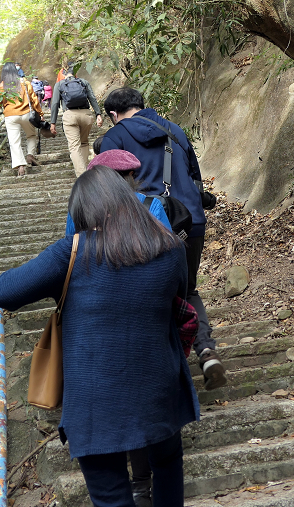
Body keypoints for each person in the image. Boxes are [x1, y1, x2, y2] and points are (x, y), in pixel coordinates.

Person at [0, 166, 200, 507]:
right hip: (159, 388)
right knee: (167, 466)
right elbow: (180, 296)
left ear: (83, 213)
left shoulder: (72, 251)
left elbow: (3, 292)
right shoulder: (171, 249)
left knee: (111, 495)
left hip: (95, 401)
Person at [64, 148, 172, 507]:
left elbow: (70, 253)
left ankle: (138, 484)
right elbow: (168, 254)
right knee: (146, 407)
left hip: (96, 329)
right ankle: (142, 483)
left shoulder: (80, 215)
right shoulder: (149, 205)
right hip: (146, 322)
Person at [99, 87, 226, 391]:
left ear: (114, 115)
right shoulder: (175, 130)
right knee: (187, 288)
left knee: (146, 292)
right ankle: (206, 352)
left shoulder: (114, 138)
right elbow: (196, 178)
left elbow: (104, 188)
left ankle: (159, 370)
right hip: (189, 221)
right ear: (141, 105)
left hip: (146, 223)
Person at [64, 149, 172, 236]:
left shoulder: (80, 207)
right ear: (130, 175)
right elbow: (169, 247)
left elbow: (70, 245)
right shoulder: (150, 204)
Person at [0, 62, 45, 177]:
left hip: (10, 116)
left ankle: (20, 165)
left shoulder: (1, 86)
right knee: (31, 135)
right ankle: (30, 155)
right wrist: (40, 113)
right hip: (26, 114)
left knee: (14, 141)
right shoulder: (24, 83)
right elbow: (34, 99)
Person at [49, 69, 103, 176]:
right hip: (86, 116)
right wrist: (98, 114)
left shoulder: (59, 84)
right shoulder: (83, 82)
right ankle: (86, 170)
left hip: (70, 116)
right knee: (84, 143)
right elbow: (92, 98)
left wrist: (53, 122)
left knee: (74, 147)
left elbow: (55, 104)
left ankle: (82, 176)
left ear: (62, 75)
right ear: (75, 74)